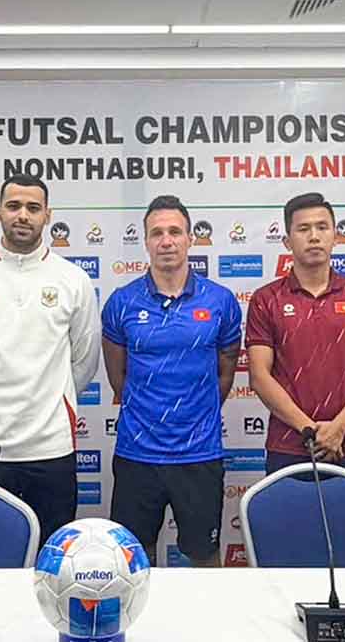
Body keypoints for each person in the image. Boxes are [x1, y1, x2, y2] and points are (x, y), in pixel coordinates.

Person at [0, 173, 100, 547]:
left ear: (48, 215)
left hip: (51, 448)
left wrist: (50, 400)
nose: (23, 215)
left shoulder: (73, 279)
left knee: (53, 561)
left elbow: (84, 360)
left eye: (33, 208)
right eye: (13, 206)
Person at [101, 195, 241, 567]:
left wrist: (195, 412)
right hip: (137, 455)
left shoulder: (221, 301)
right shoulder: (122, 302)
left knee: (205, 557)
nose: (166, 241)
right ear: (146, 242)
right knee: (132, 561)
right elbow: (119, 377)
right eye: (157, 233)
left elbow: (226, 370)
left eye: (175, 232)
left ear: (190, 238)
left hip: (200, 455)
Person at [246, 192, 345, 484]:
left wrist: (339, 427)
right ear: (287, 241)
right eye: (303, 229)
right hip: (289, 447)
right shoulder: (265, 299)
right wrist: (308, 430)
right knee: (291, 531)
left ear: (335, 235)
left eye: (322, 227)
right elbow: (259, 376)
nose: (314, 236)